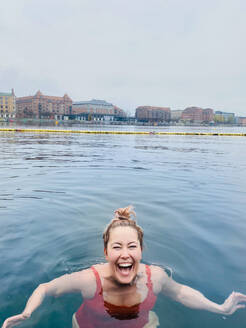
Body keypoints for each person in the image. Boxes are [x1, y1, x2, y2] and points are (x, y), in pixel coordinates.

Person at [2, 206, 246, 328]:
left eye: (132, 246)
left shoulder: (155, 277)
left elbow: (181, 293)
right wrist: (28, 312)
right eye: (117, 247)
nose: (125, 254)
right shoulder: (90, 280)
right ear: (106, 253)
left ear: (141, 250)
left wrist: (220, 308)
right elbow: (47, 288)